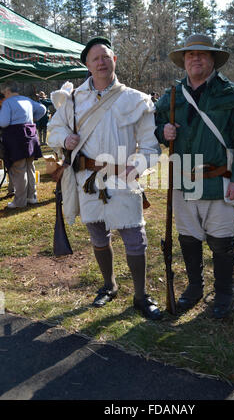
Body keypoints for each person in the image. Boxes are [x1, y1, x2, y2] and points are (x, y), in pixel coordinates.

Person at [47, 36, 162, 320]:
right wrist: (65, 138)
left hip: (124, 177)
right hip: (87, 178)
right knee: (98, 232)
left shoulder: (137, 100)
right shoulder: (73, 100)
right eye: (95, 58)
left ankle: (140, 295)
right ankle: (109, 286)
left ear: (115, 61)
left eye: (105, 56)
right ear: (87, 64)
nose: (101, 61)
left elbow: (150, 146)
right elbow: (53, 132)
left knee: (135, 237)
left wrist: (137, 167)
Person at [155, 34, 234, 319]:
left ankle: (224, 292)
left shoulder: (232, 94)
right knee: (188, 237)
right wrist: (163, 131)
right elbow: (156, 123)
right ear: (184, 62)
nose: (196, 59)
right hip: (183, 179)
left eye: (202, 54)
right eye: (190, 55)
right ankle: (195, 287)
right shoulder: (172, 95)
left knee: (221, 241)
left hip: (218, 179)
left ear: (213, 60)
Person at [0, 81, 46, 208]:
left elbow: (3, 122)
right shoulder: (27, 100)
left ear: (8, 91)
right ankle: (32, 197)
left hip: (16, 138)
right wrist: (34, 119)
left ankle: (20, 201)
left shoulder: (7, 102)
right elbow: (42, 109)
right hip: (30, 135)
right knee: (30, 167)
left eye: (3, 93)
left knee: (19, 169)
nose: (3, 95)